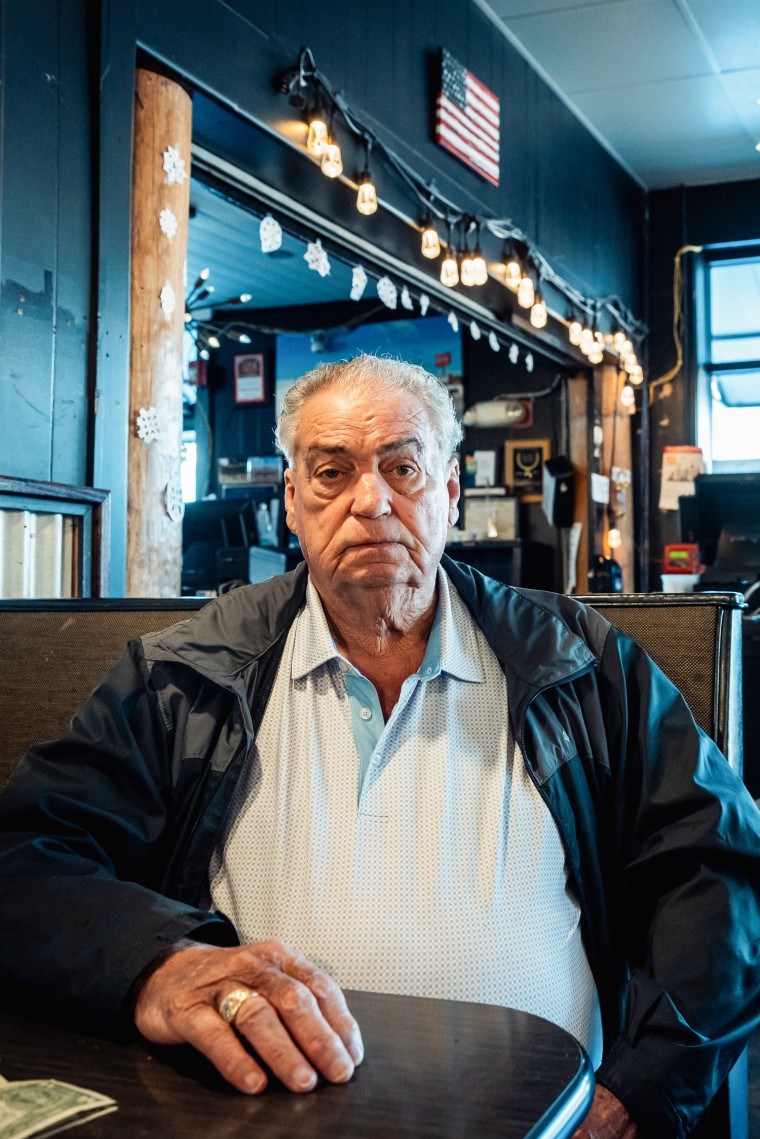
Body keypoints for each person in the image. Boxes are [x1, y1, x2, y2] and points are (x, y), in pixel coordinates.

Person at [1, 354, 759, 1139]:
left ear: (451, 491)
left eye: (403, 466)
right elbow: (21, 859)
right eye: (332, 471)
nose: (371, 501)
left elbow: (721, 870)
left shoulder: (583, 664)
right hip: (256, 1122)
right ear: (292, 503)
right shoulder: (180, 677)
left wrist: (635, 1092)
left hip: (547, 1121)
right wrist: (158, 964)